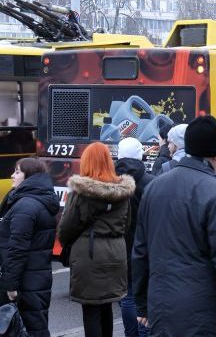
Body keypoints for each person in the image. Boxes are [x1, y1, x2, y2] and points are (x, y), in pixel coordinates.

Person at [132, 116, 216, 337]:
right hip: (206, 315)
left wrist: (143, 303)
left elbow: (140, 252)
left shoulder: (154, 188)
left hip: (161, 308)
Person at [58, 142, 136, 337]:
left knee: (91, 310)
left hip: (89, 256)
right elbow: (127, 225)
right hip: (116, 253)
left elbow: (66, 227)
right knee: (107, 306)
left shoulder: (82, 192)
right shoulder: (123, 192)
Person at [0, 158, 58, 337]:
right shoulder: (38, 200)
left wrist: (10, 285)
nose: (12, 175)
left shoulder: (25, 205)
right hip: (37, 278)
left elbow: (17, 249)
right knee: (35, 326)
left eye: (17, 172)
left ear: (29, 177)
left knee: (24, 328)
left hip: (24, 282)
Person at [114, 138, 154, 337]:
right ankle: (143, 331)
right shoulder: (150, 181)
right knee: (143, 292)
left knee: (127, 293)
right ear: (141, 155)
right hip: (145, 244)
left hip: (119, 245)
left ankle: (131, 333)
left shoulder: (110, 181)